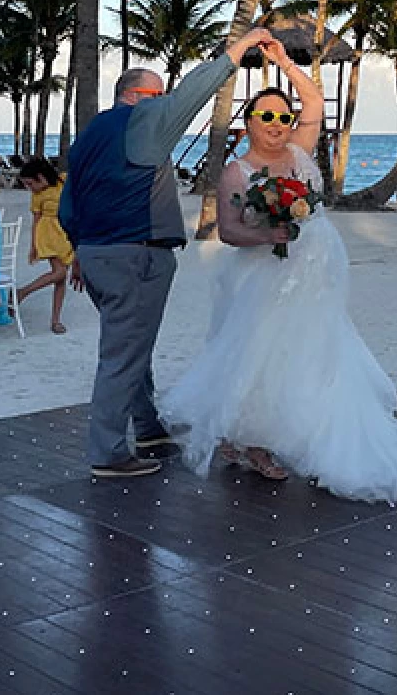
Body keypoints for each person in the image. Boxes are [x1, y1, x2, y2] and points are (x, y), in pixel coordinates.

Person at [161, 35, 397, 503]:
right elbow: (228, 232)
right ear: (248, 124)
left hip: (317, 269)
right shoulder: (236, 173)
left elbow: (313, 101)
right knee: (263, 354)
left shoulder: (302, 150)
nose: (277, 124)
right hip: (262, 275)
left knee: (317, 352)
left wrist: (284, 62)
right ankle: (257, 443)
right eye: (266, 116)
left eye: (283, 117)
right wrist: (268, 234)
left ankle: (294, 437)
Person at [59, 26, 275, 479]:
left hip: (96, 253)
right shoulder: (145, 119)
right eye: (156, 95)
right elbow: (196, 90)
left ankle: (149, 428)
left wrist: (81, 251)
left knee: (129, 346)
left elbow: (68, 205)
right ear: (138, 96)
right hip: (135, 255)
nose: (163, 103)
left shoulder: (91, 133)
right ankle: (109, 453)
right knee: (121, 355)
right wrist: (242, 45)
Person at [16, 158, 74, 335]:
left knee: (60, 279)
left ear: (40, 177)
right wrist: (33, 245)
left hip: (67, 232)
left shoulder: (64, 181)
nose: (29, 188)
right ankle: (22, 293)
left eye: (30, 183)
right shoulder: (37, 196)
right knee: (60, 272)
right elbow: (36, 219)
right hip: (48, 234)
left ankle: (56, 320)